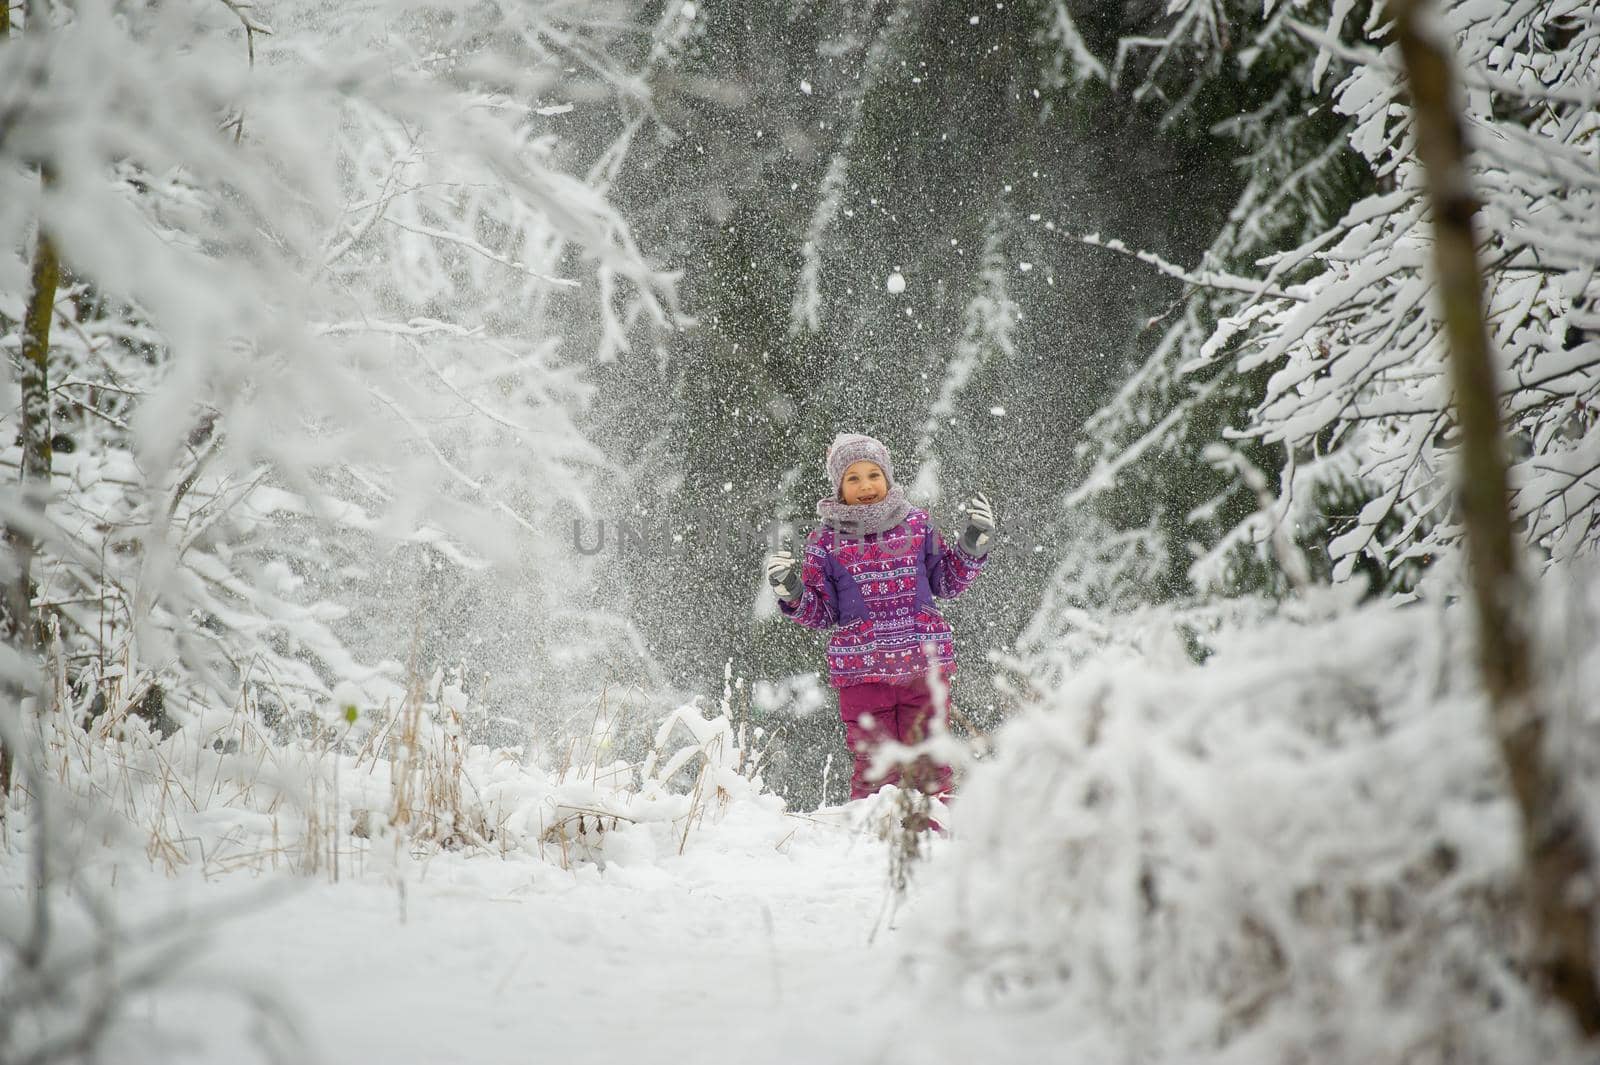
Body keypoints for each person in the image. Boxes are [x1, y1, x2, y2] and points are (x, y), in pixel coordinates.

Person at [765, 432, 993, 802]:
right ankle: (873, 848)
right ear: (839, 487)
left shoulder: (917, 526)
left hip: (923, 668)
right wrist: (793, 592)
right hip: (863, 676)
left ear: (887, 477)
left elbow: (946, 581)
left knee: (930, 764)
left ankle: (936, 846)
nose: (866, 485)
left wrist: (970, 547)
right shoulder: (825, 543)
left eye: (873, 474)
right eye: (853, 478)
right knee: (877, 773)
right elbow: (823, 612)